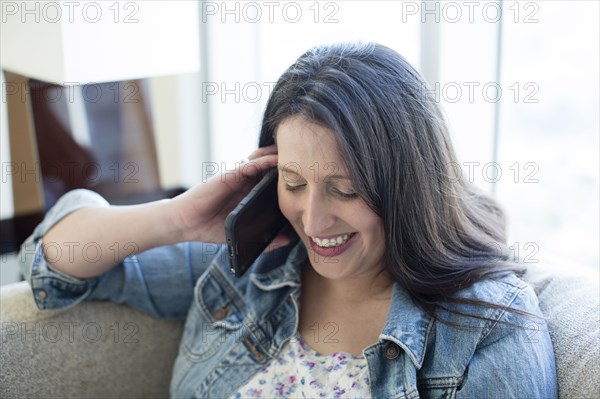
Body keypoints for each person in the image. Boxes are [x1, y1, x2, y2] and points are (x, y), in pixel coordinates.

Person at [19, 42, 557, 398]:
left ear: (407, 186)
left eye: (345, 190)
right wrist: (178, 219)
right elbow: (51, 265)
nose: (314, 219)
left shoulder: (488, 328)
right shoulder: (248, 266)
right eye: (294, 183)